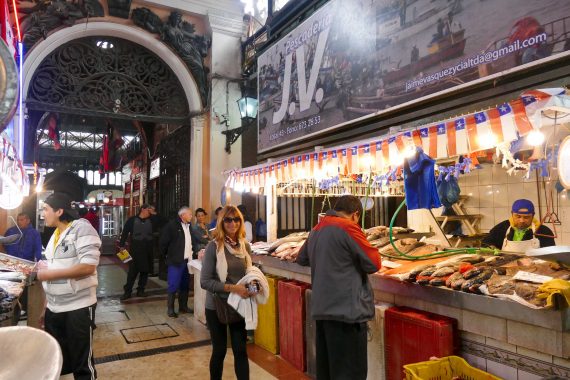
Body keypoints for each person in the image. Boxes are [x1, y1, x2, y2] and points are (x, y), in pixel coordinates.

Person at [297, 195, 381, 380]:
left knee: (328, 372)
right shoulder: (349, 227)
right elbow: (374, 263)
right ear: (355, 215)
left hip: (322, 313)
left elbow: (301, 258)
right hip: (347, 316)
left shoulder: (317, 229)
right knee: (350, 374)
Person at [35, 193, 101, 380]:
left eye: (46, 209)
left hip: (78, 306)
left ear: (59, 211)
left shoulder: (82, 229)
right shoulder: (55, 234)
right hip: (55, 307)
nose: (43, 214)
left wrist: (46, 274)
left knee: (82, 363)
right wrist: (45, 307)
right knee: (59, 359)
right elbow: (54, 268)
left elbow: (88, 267)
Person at [201, 205, 252, 380]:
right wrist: (233, 288)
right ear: (222, 222)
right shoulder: (213, 247)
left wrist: (253, 287)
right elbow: (205, 281)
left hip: (238, 304)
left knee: (240, 350)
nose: (232, 223)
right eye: (228, 220)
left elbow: (248, 275)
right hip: (217, 306)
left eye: (236, 219)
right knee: (220, 350)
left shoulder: (245, 246)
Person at [482, 199, 555, 253]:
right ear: (512, 214)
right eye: (518, 216)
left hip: (534, 269)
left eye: (526, 217)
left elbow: (552, 254)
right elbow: (486, 242)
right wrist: (491, 248)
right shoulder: (502, 227)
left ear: (533, 215)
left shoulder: (543, 231)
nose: (522, 220)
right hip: (507, 267)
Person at [160, 206, 193, 318]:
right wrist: (167, 256)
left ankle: (183, 307)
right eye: (190, 214)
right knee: (173, 285)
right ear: (182, 215)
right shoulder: (172, 226)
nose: (191, 216)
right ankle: (170, 309)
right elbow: (163, 242)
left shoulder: (189, 226)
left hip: (187, 261)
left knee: (185, 285)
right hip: (175, 261)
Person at [119, 204, 155, 300]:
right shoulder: (132, 220)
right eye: (149, 210)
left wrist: (155, 214)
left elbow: (163, 221)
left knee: (145, 271)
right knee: (132, 271)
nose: (150, 212)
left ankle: (141, 290)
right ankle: (127, 292)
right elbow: (125, 232)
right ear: (142, 210)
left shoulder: (152, 220)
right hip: (135, 249)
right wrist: (121, 245)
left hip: (148, 248)